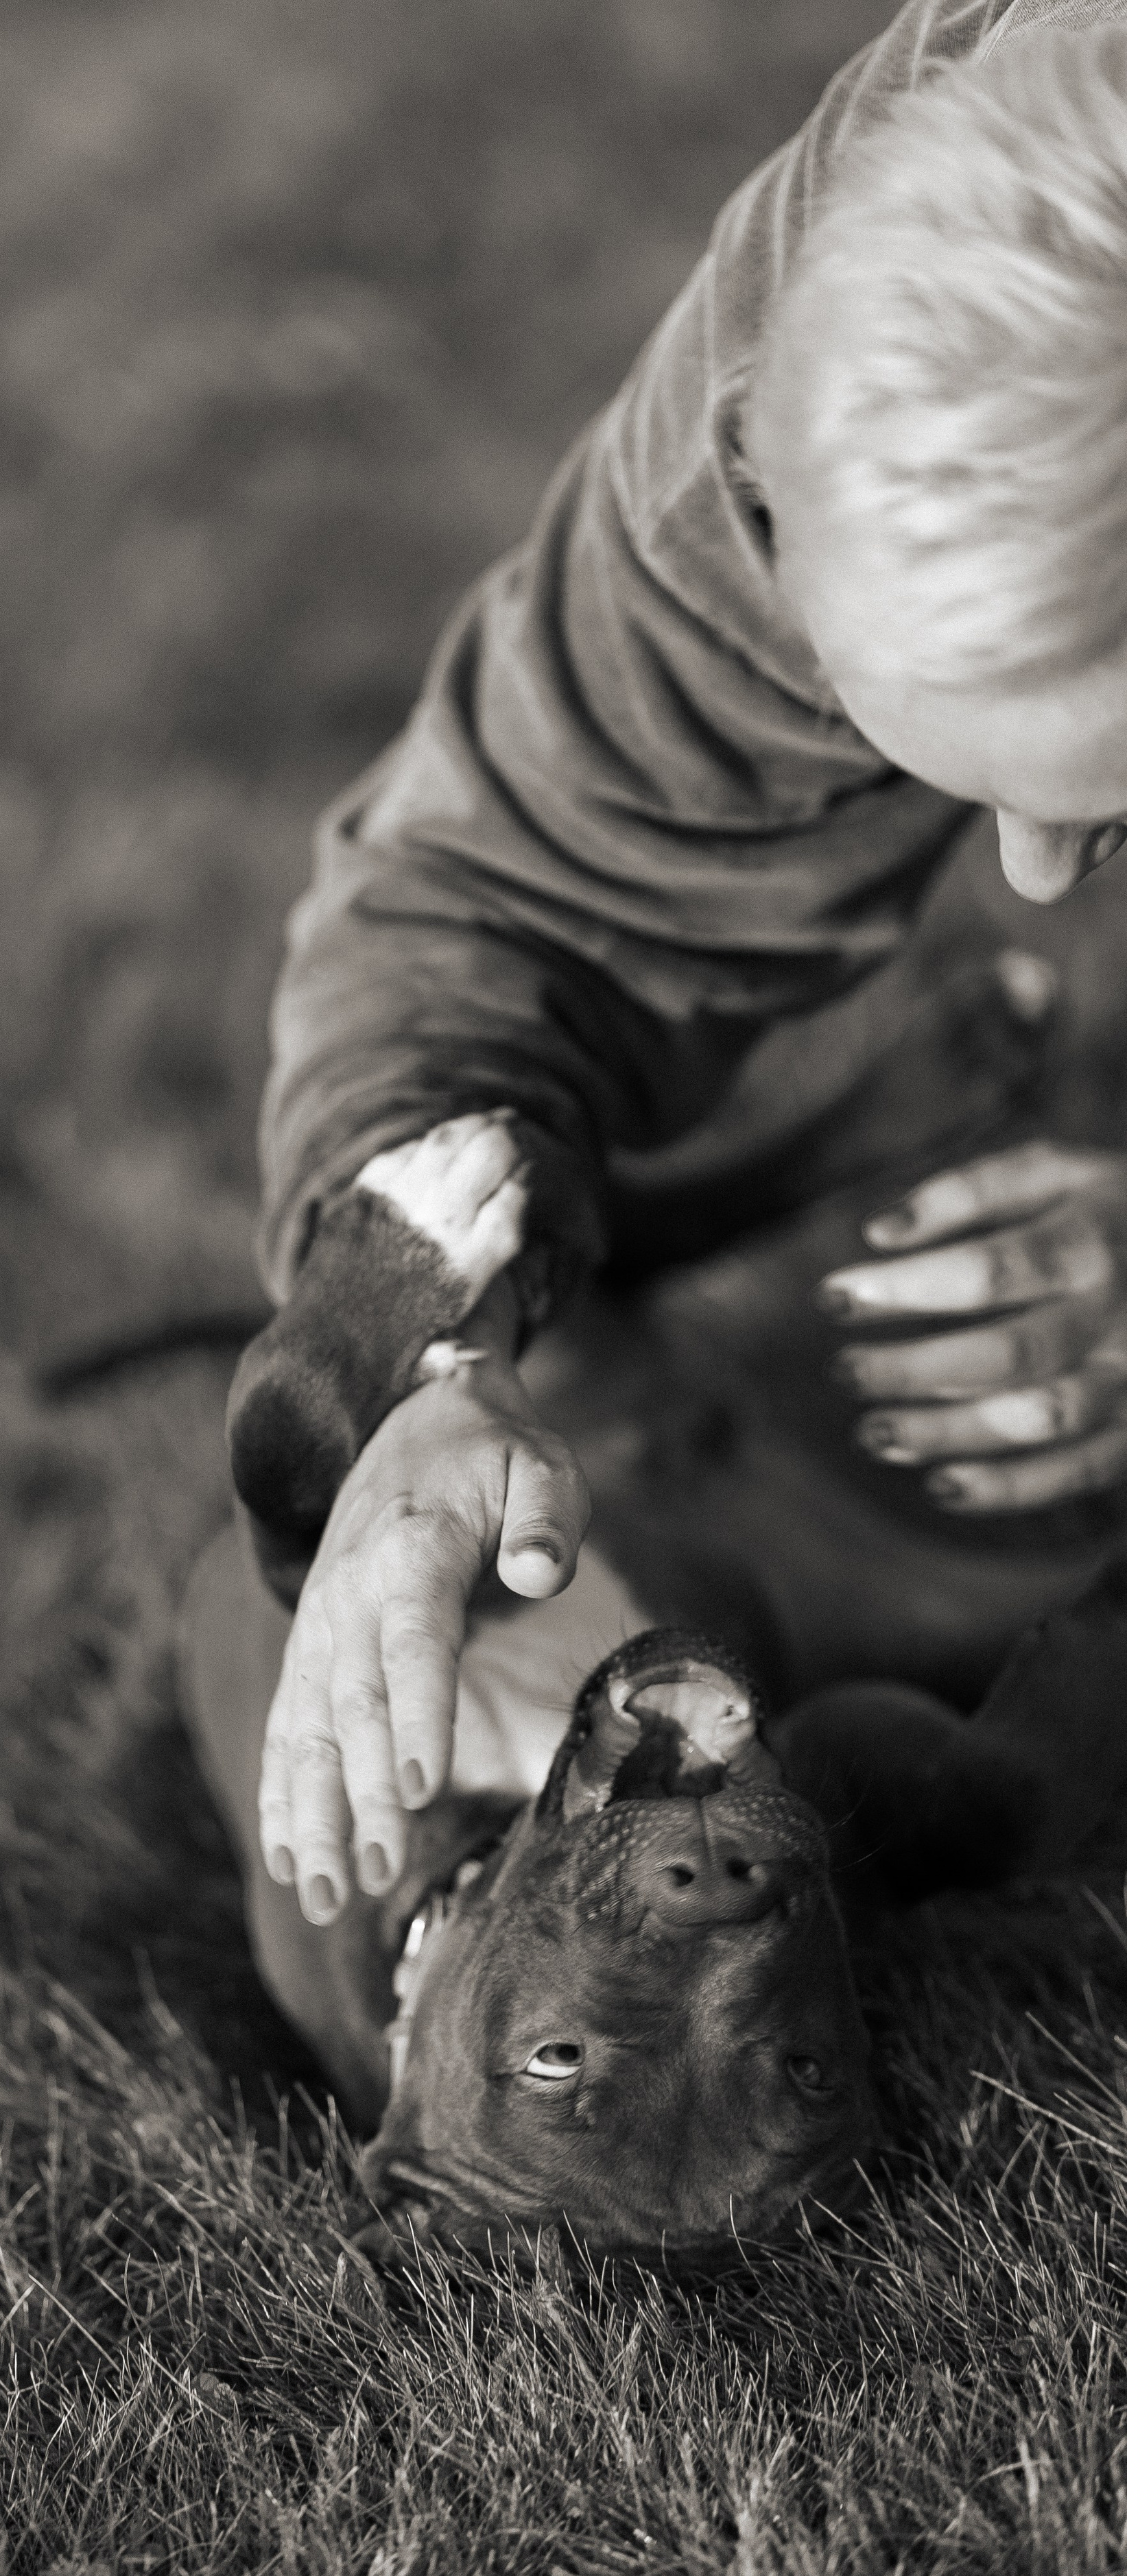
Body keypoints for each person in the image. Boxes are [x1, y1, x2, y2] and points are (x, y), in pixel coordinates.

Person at [185, 0, 1127, 1942]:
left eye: (1111, 808)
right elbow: (492, 902)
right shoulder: (859, 328)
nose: (1032, 873)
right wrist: (418, 1368)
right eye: (963, 772)